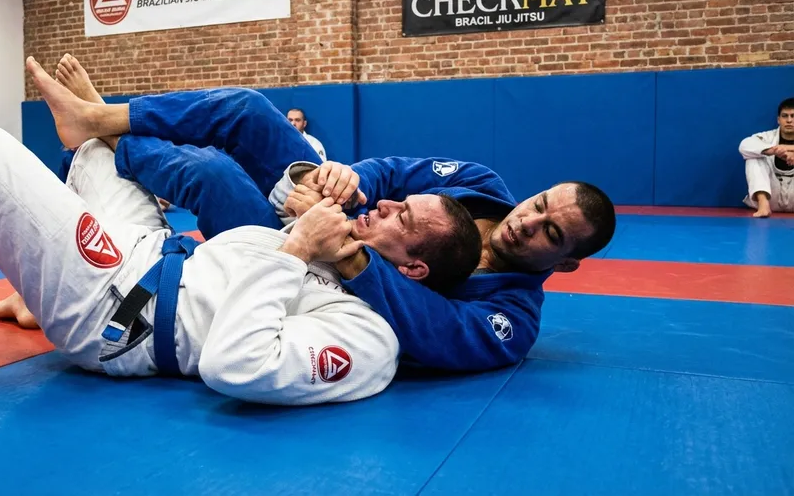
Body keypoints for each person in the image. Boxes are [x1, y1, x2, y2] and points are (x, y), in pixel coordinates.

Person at [0, 57, 483, 408]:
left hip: (122, 313)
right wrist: (303, 198)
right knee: (97, 153)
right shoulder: (342, 239)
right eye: (397, 202)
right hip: (148, 253)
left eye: (402, 218)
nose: (384, 204)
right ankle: (42, 270)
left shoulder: (370, 339)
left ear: (415, 269)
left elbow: (236, 365)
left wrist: (295, 249)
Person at [37, 54, 616, 373]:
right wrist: (343, 183)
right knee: (247, 109)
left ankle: (99, 138)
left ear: (567, 262)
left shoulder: (512, 317)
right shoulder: (480, 185)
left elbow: (435, 331)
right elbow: (390, 174)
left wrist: (349, 254)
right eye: (539, 203)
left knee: (211, 175)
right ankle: (100, 118)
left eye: (550, 232)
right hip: (331, 214)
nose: (526, 220)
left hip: (311, 271)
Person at [739, 97, 794, 218]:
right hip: (771, 195)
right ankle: (763, 205)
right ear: (778, 120)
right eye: (785, 116)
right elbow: (744, 145)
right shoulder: (767, 137)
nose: (789, 120)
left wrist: (788, 149)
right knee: (754, 156)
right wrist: (773, 150)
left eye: (793, 116)